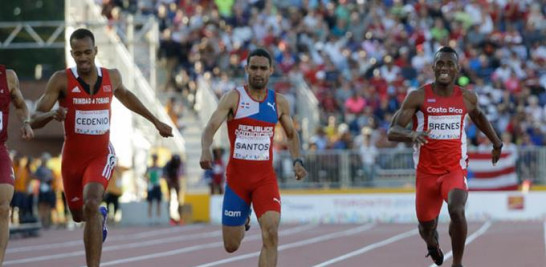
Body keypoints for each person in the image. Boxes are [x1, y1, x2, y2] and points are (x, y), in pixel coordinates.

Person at [30, 28, 173, 267]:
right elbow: (35, 115)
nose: (83, 58)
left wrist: (156, 121)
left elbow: (127, 97)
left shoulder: (112, 77)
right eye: (78, 54)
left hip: (101, 154)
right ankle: (99, 218)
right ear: (72, 54)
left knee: (91, 203)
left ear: (96, 51)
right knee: (78, 215)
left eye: (87, 52)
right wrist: (52, 114)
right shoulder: (61, 79)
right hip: (73, 159)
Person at [388, 46, 502, 267]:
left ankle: (457, 263)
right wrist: (411, 134)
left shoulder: (467, 97)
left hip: (454, 169)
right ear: (433, 67)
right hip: (426, 174)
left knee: (457, 210)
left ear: (457, 69)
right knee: (426, 228)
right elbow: (392, 132)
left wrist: (497, 142)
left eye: (450, 64)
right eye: (440, 63)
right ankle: (432, 244)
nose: (445, 68)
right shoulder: (418, 96)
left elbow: (478, 116)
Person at [200, 48, 307, 267]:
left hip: (264, 180)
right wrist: (205, 149)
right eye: (254, 68)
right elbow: (210, 126)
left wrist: (297, 160)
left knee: (271, 234)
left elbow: (291, 135)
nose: (258, 73)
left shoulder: (278, 102)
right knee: (231, 245)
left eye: (263, 68)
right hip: (238, 182)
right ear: (247, 69)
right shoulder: (234, 98)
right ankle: (244, 219)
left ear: (271, 71)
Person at [0, 66, 34, 264]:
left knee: (4, 208)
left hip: (0, 148)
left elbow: (20, 105)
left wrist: (26, 122)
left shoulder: (8, 77)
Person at [34, 153, 56, 229]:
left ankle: (47, 222)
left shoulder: (49, 169)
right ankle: (42, 222)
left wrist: (51, 178)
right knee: (41, 206)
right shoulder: (39, 169)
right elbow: (35, 176)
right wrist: (44, 178)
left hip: (48, 189)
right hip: (42, 189)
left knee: (48, 206)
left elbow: (53, 178)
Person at [163, 154, 183, 224]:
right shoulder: (168, 165)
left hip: (176, 181)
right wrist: (169, 180)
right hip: (170, 182)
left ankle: (180, 217)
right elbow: (164, 175)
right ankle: (169, 217)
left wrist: (177, 180)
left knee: (178, 199)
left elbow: (181, 173)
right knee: (170, 200)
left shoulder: (180, 164)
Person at [145, 154, 163, 223]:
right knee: (150, 202)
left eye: (155, 158)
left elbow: (161, 176)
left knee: (158, 202)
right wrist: (148, 179)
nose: (154, 160)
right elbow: (146, 176)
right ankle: (150, 218)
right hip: (151, 186)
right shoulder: (149, 168)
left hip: (157, 186)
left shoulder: (159, 168)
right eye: (153, 158)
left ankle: (158, 218)